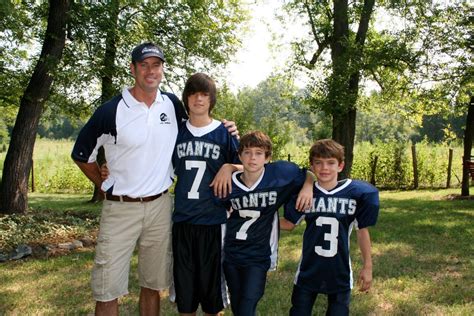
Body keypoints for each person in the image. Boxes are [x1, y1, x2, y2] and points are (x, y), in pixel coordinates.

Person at [71, 42, 237, 316]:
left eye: (156, 65)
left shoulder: (171, 104)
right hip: (120, 207)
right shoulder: (111, 110)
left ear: (162, 69)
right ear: (133, 68)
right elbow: (80, 154)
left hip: (160, 206)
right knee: (108, 289)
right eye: (144, 65)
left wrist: (228, 130)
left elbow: (200, 124)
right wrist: (103, 182)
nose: (150, 71)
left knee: (153, 285)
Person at [280, 139, 380, 316]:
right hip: (308, 269)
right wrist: (260, 217)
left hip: (340, 270)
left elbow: (362, 231)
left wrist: (368, 266)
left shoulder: (355, 193)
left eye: (330, 163)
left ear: (340, 166)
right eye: (318, 163)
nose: (324, 168)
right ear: (312, 166)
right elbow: (288, 224)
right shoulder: (305, 194)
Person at [221, 131, 314, 316]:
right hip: (231, 255)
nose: (252, 158)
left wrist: (308, 185)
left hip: (258, 256)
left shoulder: (279, 175)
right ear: (239, 156)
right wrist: (227, 167)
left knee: (248, 305)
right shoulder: (227, 184)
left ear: (268, 157)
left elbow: (307, 173)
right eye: (247, 152)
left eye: (258, 153)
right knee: (239, 308)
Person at [171, 73, 241, 315]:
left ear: (212, 100)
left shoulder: (225, 133)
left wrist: (229, 166)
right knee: (186, 299)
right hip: (183, 221)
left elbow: (252, 168)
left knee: (213, 301)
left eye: (204, 94)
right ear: (186, 98)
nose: (198, 99)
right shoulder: (176, 132)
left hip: (214, 221)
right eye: (193, 93)